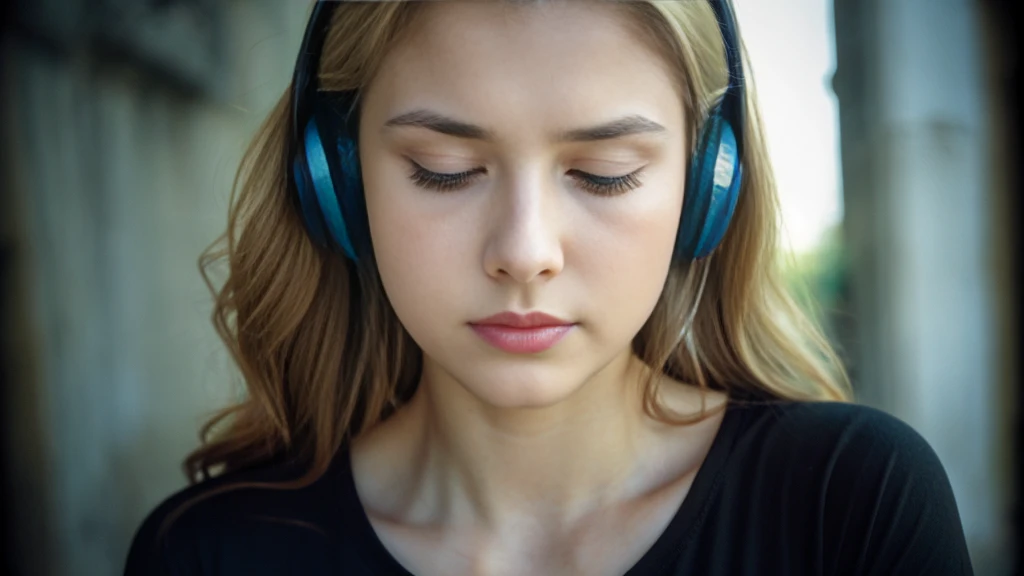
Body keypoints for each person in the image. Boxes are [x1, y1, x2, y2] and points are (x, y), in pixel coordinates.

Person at [124, 0, 974, 574]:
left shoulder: (851, 505)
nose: (524, 252)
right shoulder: (207, 553)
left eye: (602, 175)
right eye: (444, 171)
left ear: (706, 187)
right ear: (335, 185)